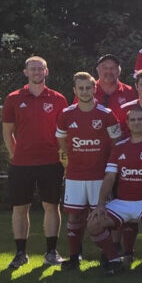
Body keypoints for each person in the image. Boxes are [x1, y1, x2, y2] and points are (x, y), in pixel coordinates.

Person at [2, 56, 68, 269]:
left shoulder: (58, 99)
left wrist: (63, 158)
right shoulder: (13, 98)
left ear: (46, 71)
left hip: (51, 162)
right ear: (26, 72)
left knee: (52, 206)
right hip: (22, 164)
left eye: (41, 69)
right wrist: (15, 154)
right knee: (20, 208)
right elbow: (7, 132)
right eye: (33, 69)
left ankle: (51, 252)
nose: (37, 72)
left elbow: (64, 133)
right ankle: (20, 254)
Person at [86, 107, 142, 276]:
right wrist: (100, 205)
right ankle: (114, 260)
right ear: (127, 124)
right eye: (133, 120)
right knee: (93, 223)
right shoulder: (119, 146)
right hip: (122, 202)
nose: (136, 123)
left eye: (140, 119)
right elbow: (109, 177)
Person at [56, 72, 122, 270]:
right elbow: (61, 138)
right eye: (81, 88)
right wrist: (70, 155)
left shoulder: (106, 114)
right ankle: (74, 257)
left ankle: (108, 256)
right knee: (74, 216)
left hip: (99, 176)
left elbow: (117, 142)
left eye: (88, 88)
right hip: (75, 175)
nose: (85, 92)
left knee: (100, 217)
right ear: (75, 90)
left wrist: (110, 165)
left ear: (95, 89)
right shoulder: (66, 114)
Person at [91, 54, 136, 124]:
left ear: (119, 71)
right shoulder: (87, 91)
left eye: (113, 68)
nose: (109, 71)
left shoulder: (129, 92)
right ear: (97, 69)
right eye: (104, 67)